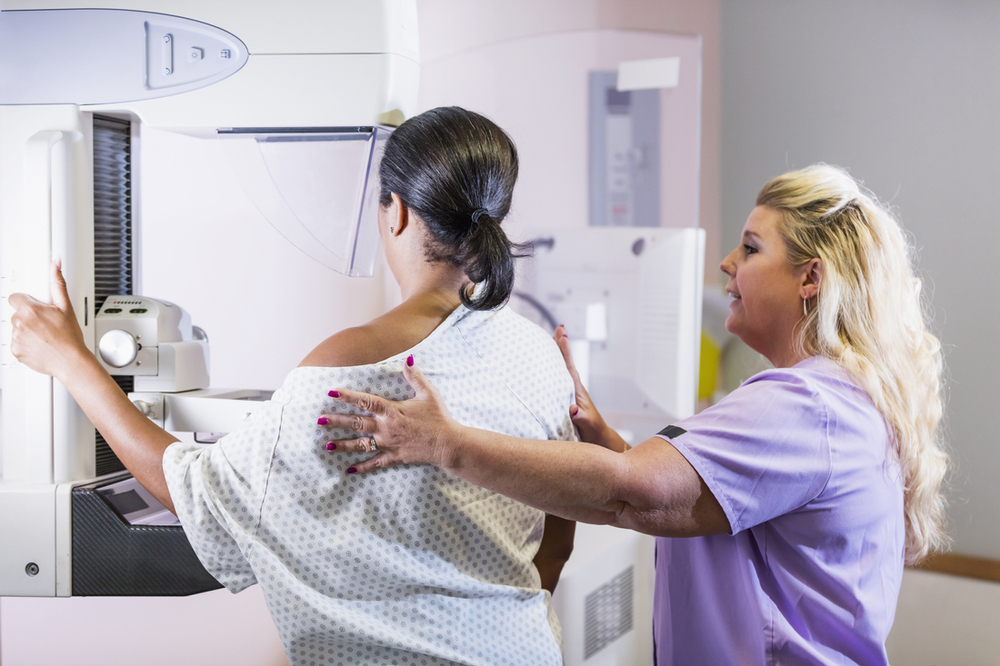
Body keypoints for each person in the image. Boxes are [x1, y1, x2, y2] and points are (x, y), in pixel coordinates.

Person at [9, 107, 578, 666]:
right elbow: (559, 537)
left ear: (396, 213)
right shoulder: (538, 355)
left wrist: (72, 361)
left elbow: (191, 490)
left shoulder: (349, 364)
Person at [321, 164, 949, 665]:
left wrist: (442, 443)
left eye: (751, 248)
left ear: (810, 278)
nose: (728, 263)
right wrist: (608, 442)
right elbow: (695, 502)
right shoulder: (841, 399)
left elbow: (635, 499)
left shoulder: (805, 405)